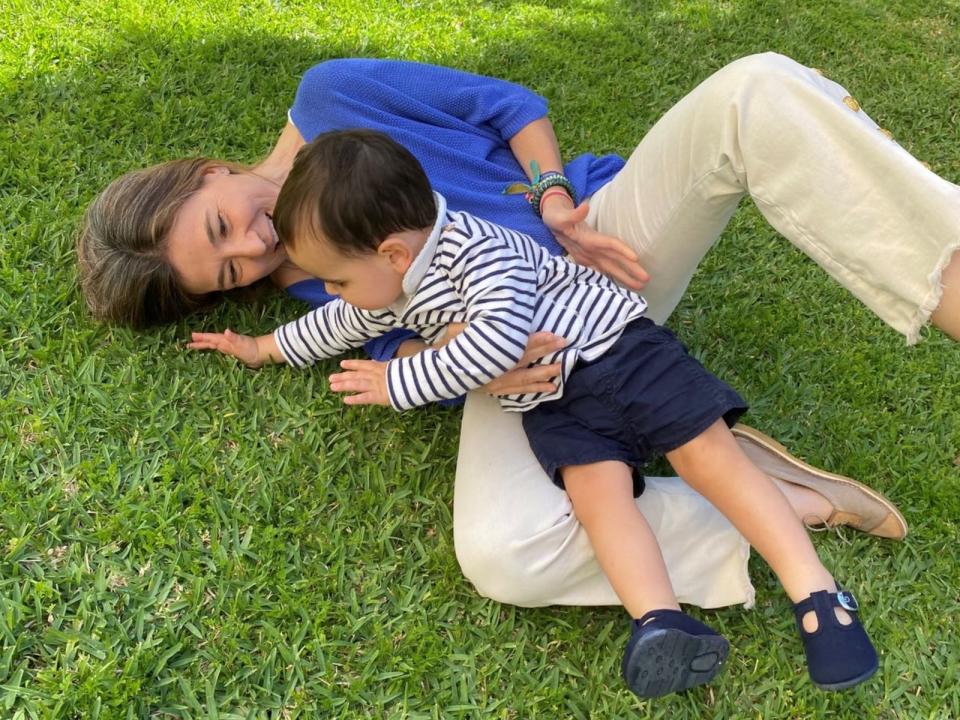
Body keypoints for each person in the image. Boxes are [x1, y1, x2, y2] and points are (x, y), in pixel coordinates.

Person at [76, 52, 917, 615]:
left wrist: (555, 200)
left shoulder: (330, 94)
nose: (253, 248)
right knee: (503, 554)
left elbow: (507, 106)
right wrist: (468, 365)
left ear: (204, 173)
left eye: (222, 224)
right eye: (228, 273)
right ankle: (776, 497)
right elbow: (390, 341)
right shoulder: (308, 278)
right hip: (530, 360)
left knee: (751, 90)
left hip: (601, 245)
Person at [189, 128, 882, 696]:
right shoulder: (391, 279)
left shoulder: (480, 252)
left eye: (338, 277)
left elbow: (491, 345)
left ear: (392, 252)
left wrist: (400, 382)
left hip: (619, 354)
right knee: (598, 501)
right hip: (556, 401)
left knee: (709, 461)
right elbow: (337, 323)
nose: (335, 294)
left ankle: (819, 597)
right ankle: (661, 621)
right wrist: (261, 348)